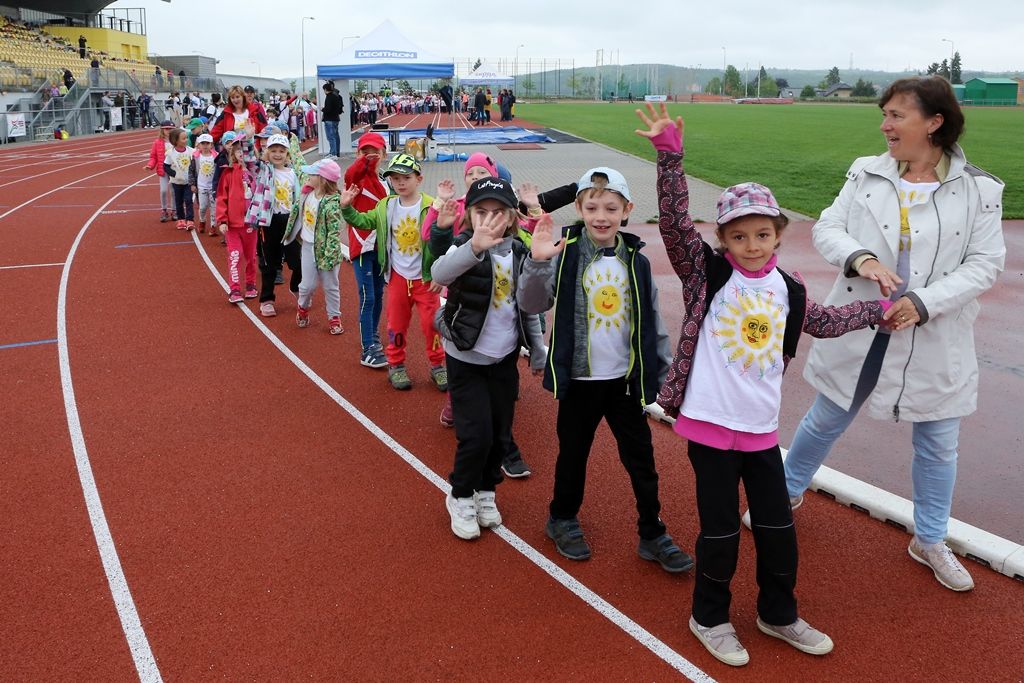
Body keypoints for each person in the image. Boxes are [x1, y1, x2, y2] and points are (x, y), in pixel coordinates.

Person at [641, 103, 892, 665]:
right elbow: (676, 228)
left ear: (778, 233)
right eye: (739, 235)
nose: (752, 244)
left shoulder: (789, 289)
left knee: (778, 529)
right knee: (721, 532)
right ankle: (709, 617)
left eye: (762, 233)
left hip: (759, 430)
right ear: (724, 239)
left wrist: (876, 311)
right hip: (710, 427)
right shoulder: (708, 274)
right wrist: (670, 160)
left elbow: (824, 322)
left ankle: (778, 613)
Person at [776, 76, 1006, 593]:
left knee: (938, 442)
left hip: (933, 331)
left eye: (897, 115)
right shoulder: (866, 172)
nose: (885, 125)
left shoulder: (980, 189)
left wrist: (923, 304)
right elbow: (828, 227)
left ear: (934, 122)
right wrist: (861, 258)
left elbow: (985, 264)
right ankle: (784, 492)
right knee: (827, 415)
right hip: (862, 319)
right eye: (885, 114)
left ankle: (930, 539)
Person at [517, 164, 692, 575]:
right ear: (579, 208)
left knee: (642, 459)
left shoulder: (636, 261)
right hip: (580, 382)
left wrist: (664, 376)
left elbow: (651, 321)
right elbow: (532, 304)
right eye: (592, 207)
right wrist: (538, 263)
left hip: (624, 384)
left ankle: (652, 533)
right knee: (573, 455)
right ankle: (561, 517)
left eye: (611, 208)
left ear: (627, 210)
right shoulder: (564, 253)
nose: (601, 216)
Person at [431, 177, 547, 540]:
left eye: (499, 213)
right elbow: (439, 273)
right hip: (466, 357)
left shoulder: (520, 252)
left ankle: (485, 490)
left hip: (504, 359)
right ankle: (460, 494)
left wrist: (538, 350)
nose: (490, 219)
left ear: (512, 217)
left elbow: (529, 307)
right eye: (482, 212)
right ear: (469, 215)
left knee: (499, 435)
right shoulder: (465, 245)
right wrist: (473, 248)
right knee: (476, 435)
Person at [340, 154, 447, 392]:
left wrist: (441, 275)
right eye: (395, 178)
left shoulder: (431, 205)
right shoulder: (385, 206)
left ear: (419, 179)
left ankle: (438, 365)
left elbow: (443, 242)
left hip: (425, 280)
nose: (401, 182)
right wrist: (346, 208)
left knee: (431, 325)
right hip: (398, 279)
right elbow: (363, 221)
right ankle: (396, 365)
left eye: (406, 177)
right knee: (396, 324)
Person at [342, 132, 389, 368]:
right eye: (364, 152)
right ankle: (367, 348)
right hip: (362, 247)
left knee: (378, 295)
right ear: (357, 154)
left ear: (384, 154)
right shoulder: (357, 179)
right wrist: (364, 163)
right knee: (367, 296)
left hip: (381, 248)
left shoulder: (386, 182)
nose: (370, 156)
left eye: (375, 152)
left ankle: (373, 334)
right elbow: (351, 174)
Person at [245, 133, 304, 316]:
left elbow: (298, 197)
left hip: (289, 222)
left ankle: (296, 286)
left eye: (281, 151)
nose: (277, 154)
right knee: (270, 264)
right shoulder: (264, 170)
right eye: (273, 151)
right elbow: (249, 160)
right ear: (267, 153)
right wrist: (248, 139)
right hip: (269, 222)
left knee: (298, 262)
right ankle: (267, 300)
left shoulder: (293, 174)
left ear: (287, 154)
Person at [283, 159, 345, 333]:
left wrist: (330, 255)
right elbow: (297, 162)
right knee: (307, 286)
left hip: (327, 250)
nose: (308, 176)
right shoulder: (307, 193)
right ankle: (302, 307)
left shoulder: (332, 203)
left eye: (312, 173)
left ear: (322, 179)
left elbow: (334, 231)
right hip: (308, 247)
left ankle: (334, 317)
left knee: (331, 286)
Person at [216, 131, 260, 303]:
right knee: (235, 255)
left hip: (251, 224)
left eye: (244, 150)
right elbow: (221, 197)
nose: (241, 153)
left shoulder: (254, 172)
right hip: (233, 226)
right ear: (232, 154)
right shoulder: (227, 173)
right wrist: (222, 220)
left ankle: (250, 284)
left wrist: (249, 137)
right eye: (237, 151)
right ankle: (234, 288)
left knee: (251, 257)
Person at [143, 120, 177, 222]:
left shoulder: (177, 141)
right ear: (162, 130)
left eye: (171, 129)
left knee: (173, 191)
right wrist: (150, 165)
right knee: (163, 190)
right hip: (163, 170)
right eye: (167, 129)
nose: (169, 131)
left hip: (174, 170)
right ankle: (164, 210)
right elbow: (153, 156)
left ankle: (174, 210)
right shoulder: (157, 142)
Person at [163, 128, 195, 230]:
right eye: (183, 138)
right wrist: (174, 174)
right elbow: (166, 166)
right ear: (176, 141)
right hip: (177, 182)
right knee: (179, 201)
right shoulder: (170, 153)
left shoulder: (191, 151)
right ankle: (181, 219)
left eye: (186, 138)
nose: (186, 140)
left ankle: (190, 220)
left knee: (188, 200)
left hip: (188, 181)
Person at [189, 133, 218, 236]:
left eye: (207, 143)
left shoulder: (216, 156)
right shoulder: (196, 157)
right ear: (199, 145)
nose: (205, 146)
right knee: (203, 207)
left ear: (211, 144)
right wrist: (192, 184)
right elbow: (191, 171)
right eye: (203, 143)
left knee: (214, 208)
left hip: (213, 187)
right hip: (201, 186)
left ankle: (213, 226)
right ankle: (202, 220)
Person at [321, 82, 342, 158]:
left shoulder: (329, 97)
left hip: (329, 119)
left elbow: (328, 109)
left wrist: (322, 109)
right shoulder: (337, 96)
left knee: (330, 137)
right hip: (336, 118)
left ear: (325, 89)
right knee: (335, 136)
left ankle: (333, 153)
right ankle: (336, 152)